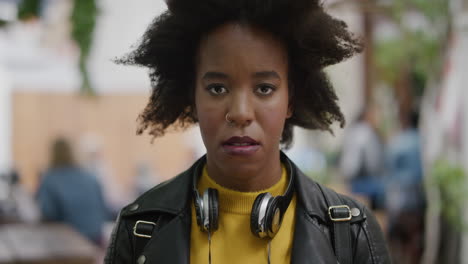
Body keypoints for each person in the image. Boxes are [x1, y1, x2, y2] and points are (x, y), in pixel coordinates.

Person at [105, 0, 390, 263]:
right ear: (192, 98)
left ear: (290, 100)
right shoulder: (140, 231)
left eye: (264, 89)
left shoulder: (350, 233)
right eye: (217, 88)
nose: (240, 112)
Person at [36, 138, 108, 245]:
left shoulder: (50, 178)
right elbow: (103, 209)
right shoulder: (90, 177)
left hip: (68, 240)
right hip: (95, 237)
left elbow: (48, 212)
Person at [340, 105, 386, 209]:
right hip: (365, 181)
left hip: (352, 180)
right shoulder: (366, 132)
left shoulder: (352, 131)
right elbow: (373, 162)